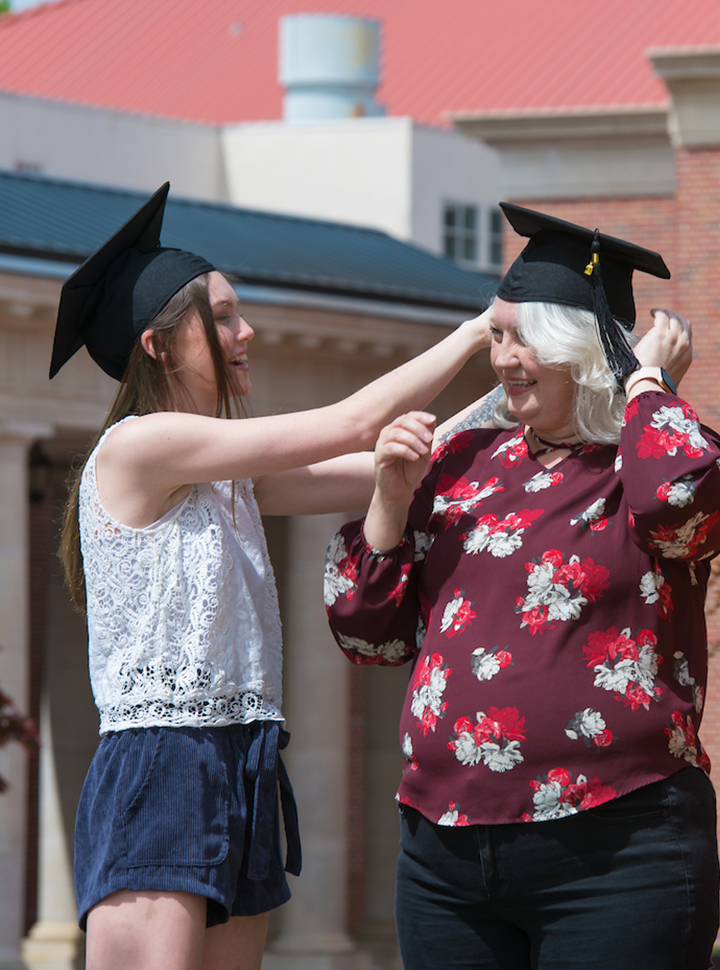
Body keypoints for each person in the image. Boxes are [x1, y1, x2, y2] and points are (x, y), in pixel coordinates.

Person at [52, 182, 493, 970]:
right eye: (222, 316)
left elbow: (389, 461)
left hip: (241, 756)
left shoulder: (228, 478)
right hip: (160, 761)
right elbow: (357, 423)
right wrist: (478, 328)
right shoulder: (137, 446)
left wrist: (516, 391)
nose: (246, 330)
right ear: (159, 344)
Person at [324, 204, 720, 970]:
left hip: (616, 850)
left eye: (521, 338)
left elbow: (684, 506)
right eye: (497, 336)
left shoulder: (649, 458)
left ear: (580, 349)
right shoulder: (464, 462)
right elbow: (366, 634)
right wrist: (388, 494)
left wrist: (646, 382)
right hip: (443, 856)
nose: (502, 358)